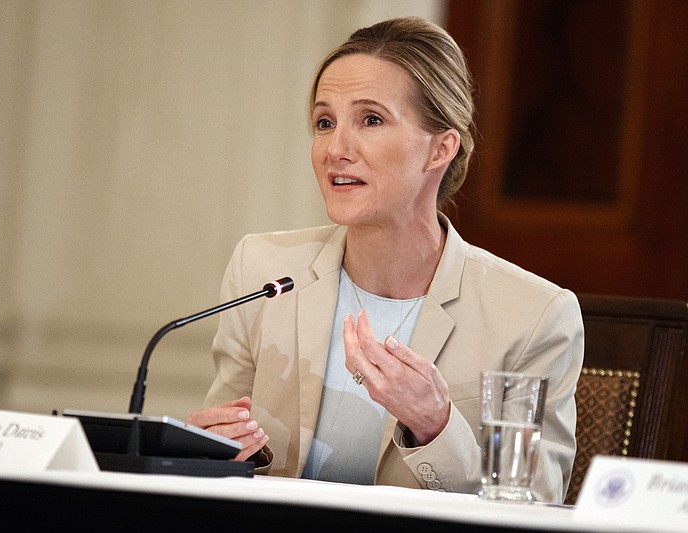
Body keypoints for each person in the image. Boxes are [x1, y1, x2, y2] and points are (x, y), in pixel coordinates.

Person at [186, 16, 584, 504]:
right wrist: (206, 453)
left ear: (441, 147)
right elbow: (223, 461)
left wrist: (435, 424)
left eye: (370, 120)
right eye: (324, 122)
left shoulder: (533, 316)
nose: (336, 149)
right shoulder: (263, 270)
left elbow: (536, 506)